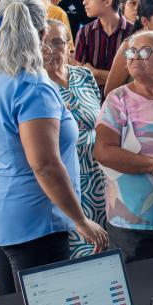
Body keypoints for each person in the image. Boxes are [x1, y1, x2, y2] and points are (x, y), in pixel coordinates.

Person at [0, 0, 108, 296]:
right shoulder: (33, 86)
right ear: (41, 35)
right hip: (34, 219)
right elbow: (44, 165)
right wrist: (80, 220)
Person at [96, 30, 153, 262]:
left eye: (145, 51)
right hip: (130, 218)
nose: (135, 57)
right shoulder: (118, 99)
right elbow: (104, 151)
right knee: (137, 289)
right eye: (131, 52)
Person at [43, 18, 107, 259]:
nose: (50, 50)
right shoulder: (37, 85)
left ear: (69, 46)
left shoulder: (84, 76)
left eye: (58, 42)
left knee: (103, 251)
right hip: (66, 181)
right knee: (75, 256)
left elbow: (100, 121)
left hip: (98, 178)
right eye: (44, 43)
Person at [76, 0, 134, 88]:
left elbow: (133, 78)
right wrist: (119, 79)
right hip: (92, 102)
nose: (84, 2)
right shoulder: (84, 33)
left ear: (107, 2)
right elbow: (81, 77)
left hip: (125, 102)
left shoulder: (134, 34)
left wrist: (96, 72)